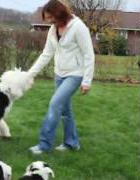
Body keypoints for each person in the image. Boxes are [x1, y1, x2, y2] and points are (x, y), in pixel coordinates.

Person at [28, 0, 95, 154]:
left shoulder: (78, 27)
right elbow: (47, 54)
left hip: (75, 74)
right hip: (59, 74)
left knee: (54, 104)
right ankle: (72, 143)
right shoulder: (53, 29)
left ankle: (44, 145)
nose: (50, 21)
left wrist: (86, 81)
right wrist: (30, 74)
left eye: (52, 17)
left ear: (60, 13)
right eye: (48, 18)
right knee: (65, 111)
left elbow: (88, 54)